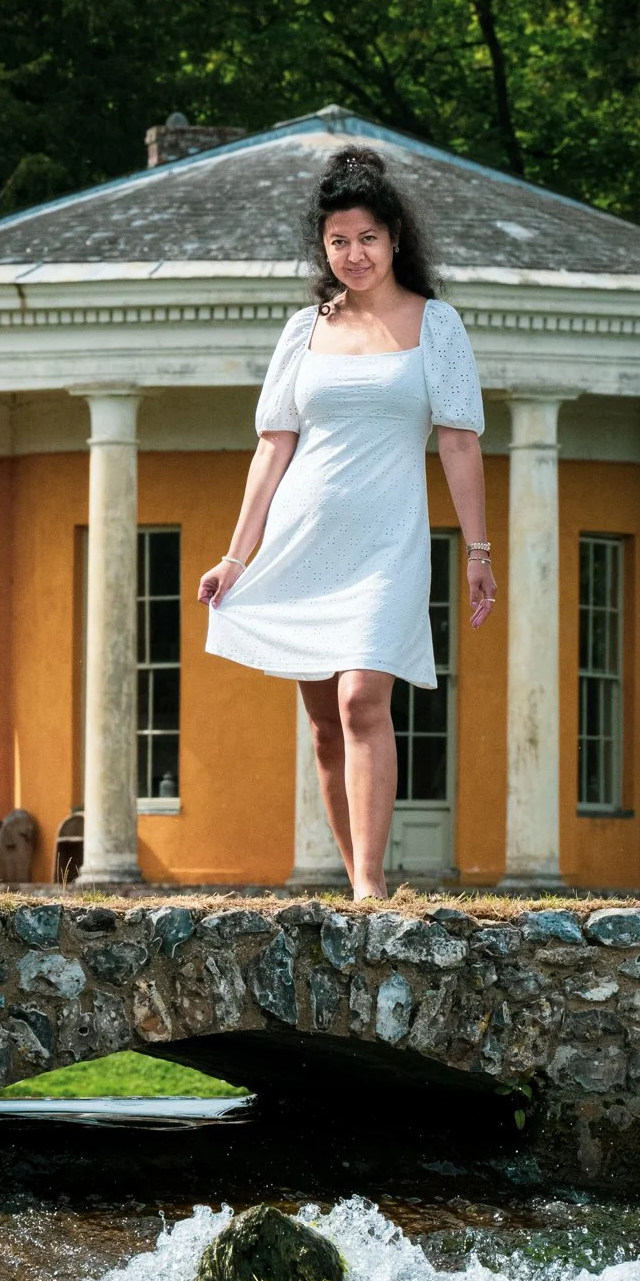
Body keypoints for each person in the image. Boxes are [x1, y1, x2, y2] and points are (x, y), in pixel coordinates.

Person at [200, 145, 496, 900]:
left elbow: (459, 442)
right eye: (338, 241)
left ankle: (369, 886)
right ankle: (354, 874)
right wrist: (236, 557)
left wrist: (478, 550)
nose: (354, 254)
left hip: (388, 543)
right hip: (303, 541)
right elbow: (273, 447)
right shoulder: (303, 330)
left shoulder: (436, 325)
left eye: (367, 237)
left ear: (394, 238)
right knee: (324, 726)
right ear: (322, 247)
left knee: (362, 698)